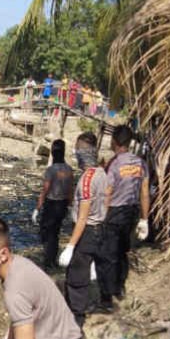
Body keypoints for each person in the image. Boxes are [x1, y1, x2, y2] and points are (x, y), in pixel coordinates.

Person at [58, 132, 110, 324]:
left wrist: (70, 246)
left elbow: (82, 218)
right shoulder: (102, 173)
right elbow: (107, 201)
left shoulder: (87, 180)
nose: (75, 153)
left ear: (83, 153)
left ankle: (76, 321)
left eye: (77, 150)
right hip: (99, 229)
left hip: (87, 232)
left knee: (76, 278)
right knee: (86, 272)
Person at [101, 125, 151, 301]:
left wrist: (101, 217)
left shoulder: (114, 164)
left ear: (114, 141)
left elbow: (107, 192)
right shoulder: (140, 163)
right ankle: (120, 288)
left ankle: (107, 296)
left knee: (109, 253)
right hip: (132, 212)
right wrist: (144, 219)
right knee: (123, 250)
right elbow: (144, 192)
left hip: (114, 212)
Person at [33, 139, 74, 268]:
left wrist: (37, 208)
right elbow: (70, 189)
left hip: (51, 204)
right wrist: (71, 205)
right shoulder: (69, 169)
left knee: (46, 232)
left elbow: (45, 190)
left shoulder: (51, 170)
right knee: (55, 232)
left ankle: (48, 260)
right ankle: (52, 259)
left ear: (53, 153)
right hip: (62, 205)